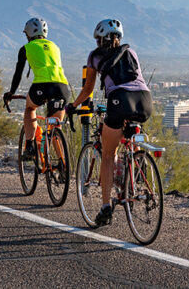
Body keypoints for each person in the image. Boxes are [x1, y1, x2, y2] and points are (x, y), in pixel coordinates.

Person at [68, 18, 152, 226]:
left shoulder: (95, 56)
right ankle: (134, 175)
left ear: (99, 39)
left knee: (108, 154)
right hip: (145, 101)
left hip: (119, 100)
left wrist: (72, 106)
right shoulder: (131, 52)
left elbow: (88, 89)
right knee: (130, 136)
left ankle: (106, 208)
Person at [4, 18, 70, 160]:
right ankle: (63, 166)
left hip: (42, 86)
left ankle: (29, 146)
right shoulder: (55, 46)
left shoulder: (26, 48)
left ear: (28, 34)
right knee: (55, 128)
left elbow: (18, 73)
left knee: (30, 108)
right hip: (62, 87)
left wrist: (11, 93)